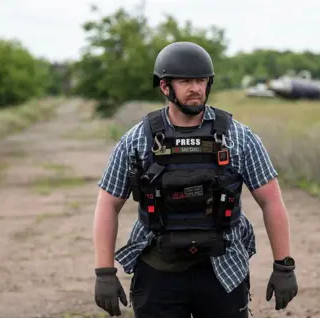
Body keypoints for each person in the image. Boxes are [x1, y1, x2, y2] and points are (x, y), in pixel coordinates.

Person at [92, 41, 298, 318]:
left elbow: (271, 200)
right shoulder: (137, 139)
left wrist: (283, 265)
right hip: (158, 270)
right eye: (186, 81)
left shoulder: (239, 137)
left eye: (201, 80)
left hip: (224, 268)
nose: (196, 88)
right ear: (165, 87)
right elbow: (108, 203)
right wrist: (104, 272)